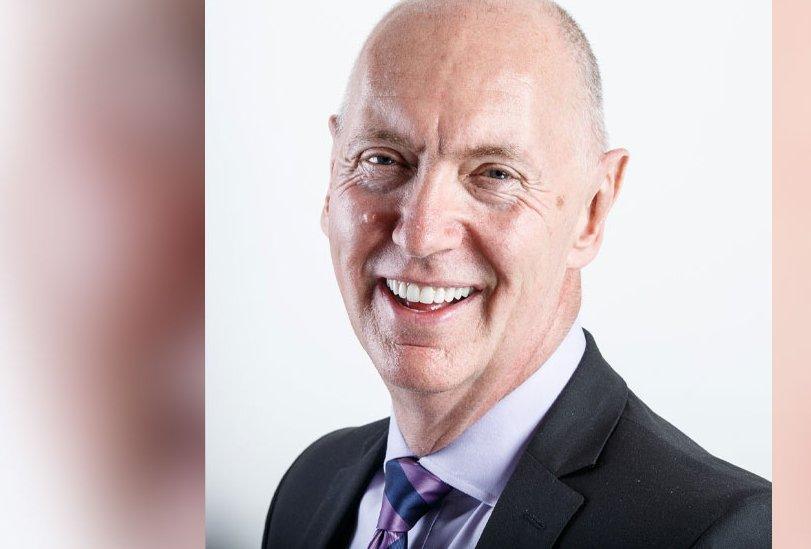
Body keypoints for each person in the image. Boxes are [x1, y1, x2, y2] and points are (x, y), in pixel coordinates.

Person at [264, 1, 770, 547]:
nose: (420, 233)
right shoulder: (309, 486)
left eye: (495, 174)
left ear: (592, 210)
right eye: (382, 159)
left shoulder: (720, 533)